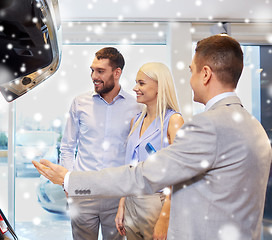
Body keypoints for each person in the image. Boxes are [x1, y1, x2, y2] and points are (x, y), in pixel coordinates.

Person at [33, 35, 272, 240]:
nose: (189, 81)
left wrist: (70, 180)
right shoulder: (252, 125)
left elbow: (144, 175)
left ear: (206, 74)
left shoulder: (208, 125)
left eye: (192, 71)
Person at [59, 47, 141, 240]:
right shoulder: (79, 103)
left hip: (116, 195)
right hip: (83, 192)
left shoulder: (136, 106)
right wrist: (68, 185)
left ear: (117, 72)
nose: (94, 76)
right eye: (92, 70)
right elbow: (67, 147)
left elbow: (135, 154)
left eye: (100, 71)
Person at [115, 62, 183, 240]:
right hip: (131, 200)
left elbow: (179, 175)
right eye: (136, 83)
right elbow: (128, 168)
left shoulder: (173, 121)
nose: (135, 88)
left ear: (160, 87)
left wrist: (164, 218)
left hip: (156, 202)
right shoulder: (135, 121)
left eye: (141, 83)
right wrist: (122, 205)